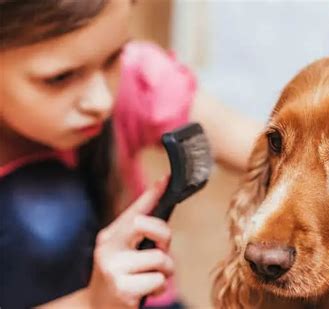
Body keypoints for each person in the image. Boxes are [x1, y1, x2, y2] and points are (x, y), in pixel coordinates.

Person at [0, 0, 262, 308]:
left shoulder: (134, 78)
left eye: (113, 58)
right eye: (59, 78)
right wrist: (92, 303)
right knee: (44, 213)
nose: (101, 101)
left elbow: (264, 147)